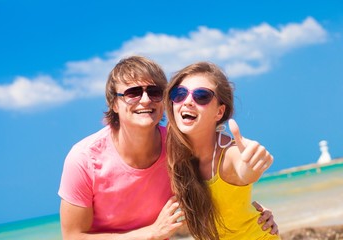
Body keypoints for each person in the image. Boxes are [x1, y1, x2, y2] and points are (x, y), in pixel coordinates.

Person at [58, 56, 278, 239]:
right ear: (114, 104)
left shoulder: (179, 146)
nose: (145, 100)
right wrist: (150, 233)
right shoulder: (84, 159)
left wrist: (251, 211)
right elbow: (72, 236)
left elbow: (226, 175)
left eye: (154, 92)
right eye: (133, 93)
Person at [165, 61, 280, 240]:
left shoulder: (229, 155)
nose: (187, 101)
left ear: (219, 112)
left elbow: (243, 170)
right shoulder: (172, 150)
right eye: (179, 94)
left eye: (201, 96)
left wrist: (253, 164)